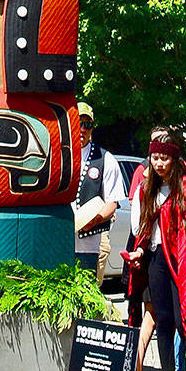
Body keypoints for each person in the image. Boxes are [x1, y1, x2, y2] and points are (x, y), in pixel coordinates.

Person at [127, 128, 186, 371]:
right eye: (155, 158)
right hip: (156, 258)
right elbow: (146, 227)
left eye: (164, 158)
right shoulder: (149, 188)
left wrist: (185, 270)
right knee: (162, 321)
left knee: (185, 324)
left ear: (174, 160)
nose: (159, 164)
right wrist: (139, 250)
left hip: (182, 262)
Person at [73, 103, 123, 289]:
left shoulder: (105, 159)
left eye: (87, 125)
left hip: (90, 243)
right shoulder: (59, 155)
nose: (82, 129)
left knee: (87, 292)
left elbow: (112, 201)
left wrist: (95, 219)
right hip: (61, 239)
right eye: (78, 123)